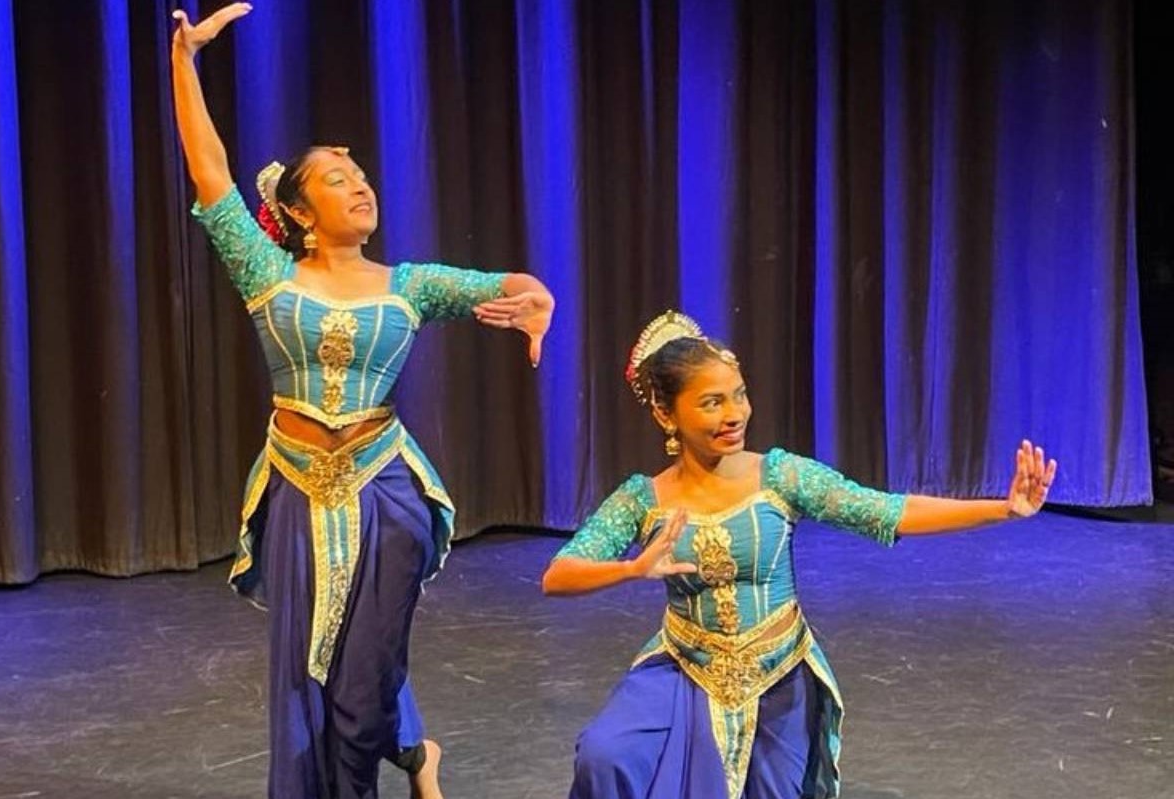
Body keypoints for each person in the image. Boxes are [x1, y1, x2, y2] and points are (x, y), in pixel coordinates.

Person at [170, 5, 554, 798]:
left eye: (363, 178)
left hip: (386, 493)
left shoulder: (411, 284)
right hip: (297, 488)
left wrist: (536, 296)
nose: (361, 186)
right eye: (337, 180)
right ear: (300, 213)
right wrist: (185, 61)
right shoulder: (267, 273)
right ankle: (407, 759)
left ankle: (408, 749)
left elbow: (503, 283)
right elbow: (210, 174)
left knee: (365, 677)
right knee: (304, 675)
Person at [542, 311, 1056, 799]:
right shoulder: (643, 499)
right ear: (665, 413)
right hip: (685, 667)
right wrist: (631, 569)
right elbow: (559, 575)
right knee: (605, 755)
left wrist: (1002, 509)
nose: (735, 414)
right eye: (713, 403)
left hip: (778, 675)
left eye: (740, 396)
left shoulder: (781, 476)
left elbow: (884, 510)